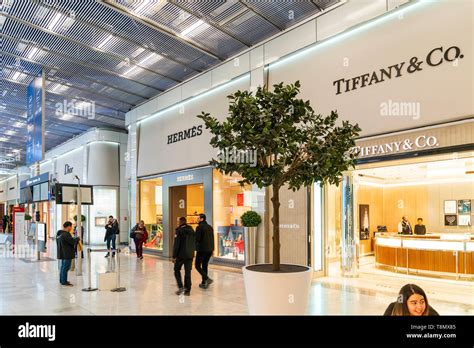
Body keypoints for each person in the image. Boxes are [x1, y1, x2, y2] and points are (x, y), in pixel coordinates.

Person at [172, 217, 195, 296]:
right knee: (188, 272)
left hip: (180, 255)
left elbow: (176, 245)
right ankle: (188, 290)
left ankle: (181, 288)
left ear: (180, 222)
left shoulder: (178, 231)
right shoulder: (192, 230)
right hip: (190, 255)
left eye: (178, 221)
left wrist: (174, 256)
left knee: (176, 270)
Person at [56, 221, 80, 286]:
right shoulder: (66, 234)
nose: (71, 228)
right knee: (65, 267)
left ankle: (62, 280)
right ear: (69, 226)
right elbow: (72, 241)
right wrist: (77, 239)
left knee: (63, 267)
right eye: (71, 226)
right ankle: (64, 281)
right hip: (67, 253)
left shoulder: (59, 233)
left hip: (62, 252)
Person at [195, 213, 214, 289]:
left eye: (198, 218)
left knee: (197, 265)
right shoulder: (210, 227)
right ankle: (204, 282)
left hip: (202, 249)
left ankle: (206, 279)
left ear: (202, 219)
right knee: (205, 265)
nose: (197, 219)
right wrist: (212, 249)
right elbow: (212, 238)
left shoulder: (199, 227)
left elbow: (197, 239)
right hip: (209, 250)